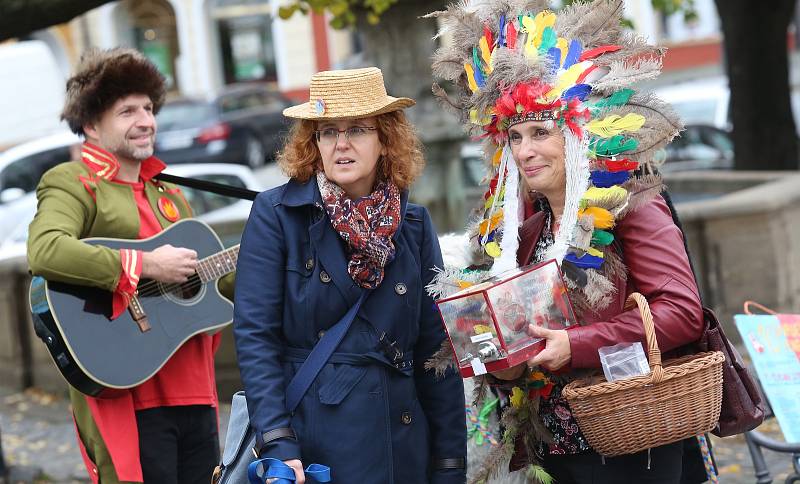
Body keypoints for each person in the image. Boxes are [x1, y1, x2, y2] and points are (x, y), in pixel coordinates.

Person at [427, 1, 713, 483]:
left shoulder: (632, 203)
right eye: (514, 137)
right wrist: (501, 359)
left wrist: (576, 345)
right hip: (553, 446)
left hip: (630, 437)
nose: (524, 151)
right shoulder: (523, 225)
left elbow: (683, 312)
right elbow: (521, 327)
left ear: (578, 134)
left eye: (540, 132)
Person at [232, 67, 467, 484]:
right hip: (313, 445)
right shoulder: (278, 215)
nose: (341, 144)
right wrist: (279, 443)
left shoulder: (412, 224)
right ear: (314, 142)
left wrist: (449, 465)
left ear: (385, 140)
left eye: (357, 129)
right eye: (327, 132)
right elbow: (256, 337)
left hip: (403, 445)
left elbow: (437, 350)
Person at [27, 47, 233, 484]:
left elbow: (207, 281)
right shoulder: (73, 181)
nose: (146, 120)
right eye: (127, 111)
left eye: (148, 107)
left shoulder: (169, 194)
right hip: (127, 388)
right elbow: (45, 250)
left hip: (194, 387)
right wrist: (145, 264)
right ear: (91, 125)